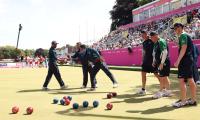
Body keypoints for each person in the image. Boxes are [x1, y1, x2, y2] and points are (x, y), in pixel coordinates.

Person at [172, 23, 197, 107]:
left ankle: (183, 101)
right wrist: (178, 44)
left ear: (182, 27)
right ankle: (193, 100)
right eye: (175, 29)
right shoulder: (185, 35)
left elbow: (184, 48)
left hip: (185, 60)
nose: (176, 30)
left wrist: (178, 61)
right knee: (190, 79)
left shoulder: (183, 35)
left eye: (177, 27)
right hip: (188, 60)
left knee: (181, 80)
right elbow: (184, 47)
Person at [136, 30, 161, 95]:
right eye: (141, 35)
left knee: (156, 74)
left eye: (142, 35)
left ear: (146, 34)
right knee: (143, 74)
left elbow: (156, 50)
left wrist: (156, 60)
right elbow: (144, 52)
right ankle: (143, 89)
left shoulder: (152, 40)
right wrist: (142, 60)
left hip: (152, 61)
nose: (141, 36)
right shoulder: (144, 42)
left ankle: (163, 88)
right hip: (145, 61)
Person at [150, 31, 171, 99]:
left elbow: (165, 52)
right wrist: (154, 61)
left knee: (162, 77)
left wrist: (162, 63)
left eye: (152, 37)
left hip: (164, 62)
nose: (151, 39)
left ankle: (160, 92)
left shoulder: (161, 41)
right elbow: (155, 54)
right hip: (160, 62)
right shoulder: (156, 43)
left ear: (155, 36)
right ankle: (167, 92)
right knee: (164, 77)